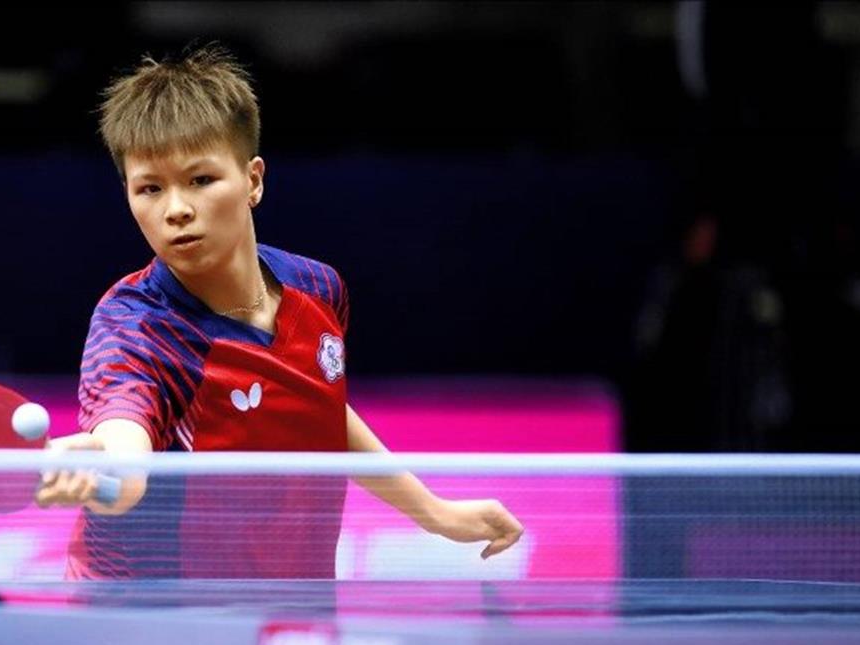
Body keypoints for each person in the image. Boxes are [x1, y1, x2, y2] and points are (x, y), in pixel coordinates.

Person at [35, 44, 523, 579]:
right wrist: (101, 470)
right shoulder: (137, 327)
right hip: (150, 607)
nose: (175, 209)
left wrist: (434, 512)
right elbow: (126, 450)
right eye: (150, 188)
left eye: (200, 180)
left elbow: (318, 406)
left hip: (289, 592)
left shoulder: (318, 289)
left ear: (253, 180)